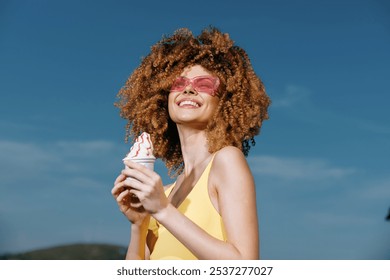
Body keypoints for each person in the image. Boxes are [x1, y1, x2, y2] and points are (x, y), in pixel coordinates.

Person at [111, 27, 270, 260]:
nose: (188, 88)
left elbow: (245, 265)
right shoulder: (163, 194)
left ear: (225, 101)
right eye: (179, 83)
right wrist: (139, 224)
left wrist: (164, 211)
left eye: (204, 84)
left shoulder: (226, 160)